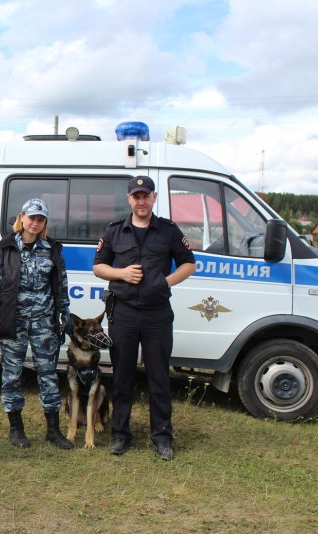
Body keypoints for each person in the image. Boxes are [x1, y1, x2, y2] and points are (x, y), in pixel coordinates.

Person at [94, 176, 196, 460]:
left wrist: (166, 282)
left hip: (157, 314)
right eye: (136, 196)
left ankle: (162, 437)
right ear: (129, 200)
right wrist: (122, 274)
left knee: (159, 378)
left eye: (145, 196)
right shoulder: (115, 231)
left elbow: (189, 263)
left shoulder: (168, 231)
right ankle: (120, 435)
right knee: (123, 377)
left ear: (153, 198)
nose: (141, 201)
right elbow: (99, 267)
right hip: (124, 313)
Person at [0, 198, 74, 450]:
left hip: (44, 324)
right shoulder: (4, 248)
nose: (35, 223)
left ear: (44, 222)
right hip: (13, 322)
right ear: (22, 218)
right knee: (11, 376)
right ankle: (16, 429)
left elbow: (61, 287)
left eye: (40, 219)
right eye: (31, 217)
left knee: (48, 375)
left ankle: (53, 431)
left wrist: (65, 317)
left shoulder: (52, 250)